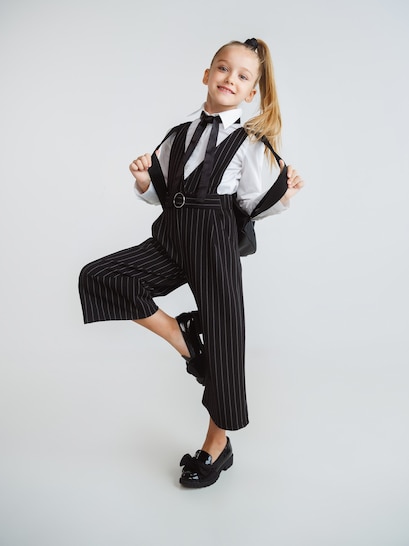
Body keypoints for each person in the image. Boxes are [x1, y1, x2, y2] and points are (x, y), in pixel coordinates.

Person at [78, 37, 304, 489]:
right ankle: (183, 337)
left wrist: (285, 193)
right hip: (171, 238)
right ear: (207, 74)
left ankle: (216, 449)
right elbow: (160, 193)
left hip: (214, 243)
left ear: (251, 93)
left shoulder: (249, 143)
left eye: (242, 76)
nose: (229, 79)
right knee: (100, 276)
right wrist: (144, 178)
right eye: (222, 68)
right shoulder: (180, 133)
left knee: (223, 343)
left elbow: (253, 202)